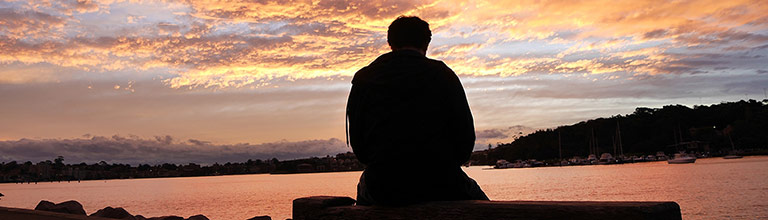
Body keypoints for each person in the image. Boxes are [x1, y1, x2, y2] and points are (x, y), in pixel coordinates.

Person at [346, 16, 489, 206]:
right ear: (426, 42)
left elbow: (360, 147)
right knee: (485, 206)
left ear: (390, 43)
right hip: (443, 181)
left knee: (365, 191)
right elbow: (465, 139)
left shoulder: (364, 78)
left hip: (383, 186)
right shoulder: (443, 74)